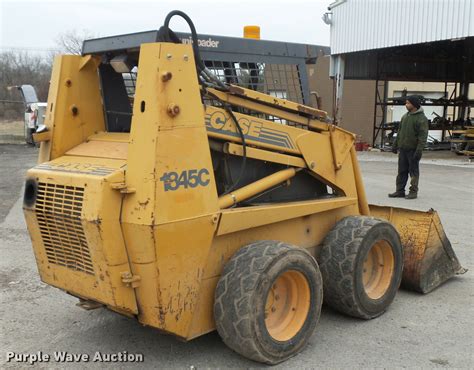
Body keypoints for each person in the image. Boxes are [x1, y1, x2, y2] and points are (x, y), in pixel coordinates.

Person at [388, 96, 428, 200]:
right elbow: (400, 132)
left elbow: (422, 136)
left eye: (408, 103)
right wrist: (395, 144)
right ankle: (400, 191)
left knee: (413, 172)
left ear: (414, 105)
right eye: (406, 103)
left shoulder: (421, 119)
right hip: (403, 149)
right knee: (401, 171)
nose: (406, 105)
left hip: (413, 150)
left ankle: (413, 192)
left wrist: (419, 150)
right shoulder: (405, 116)